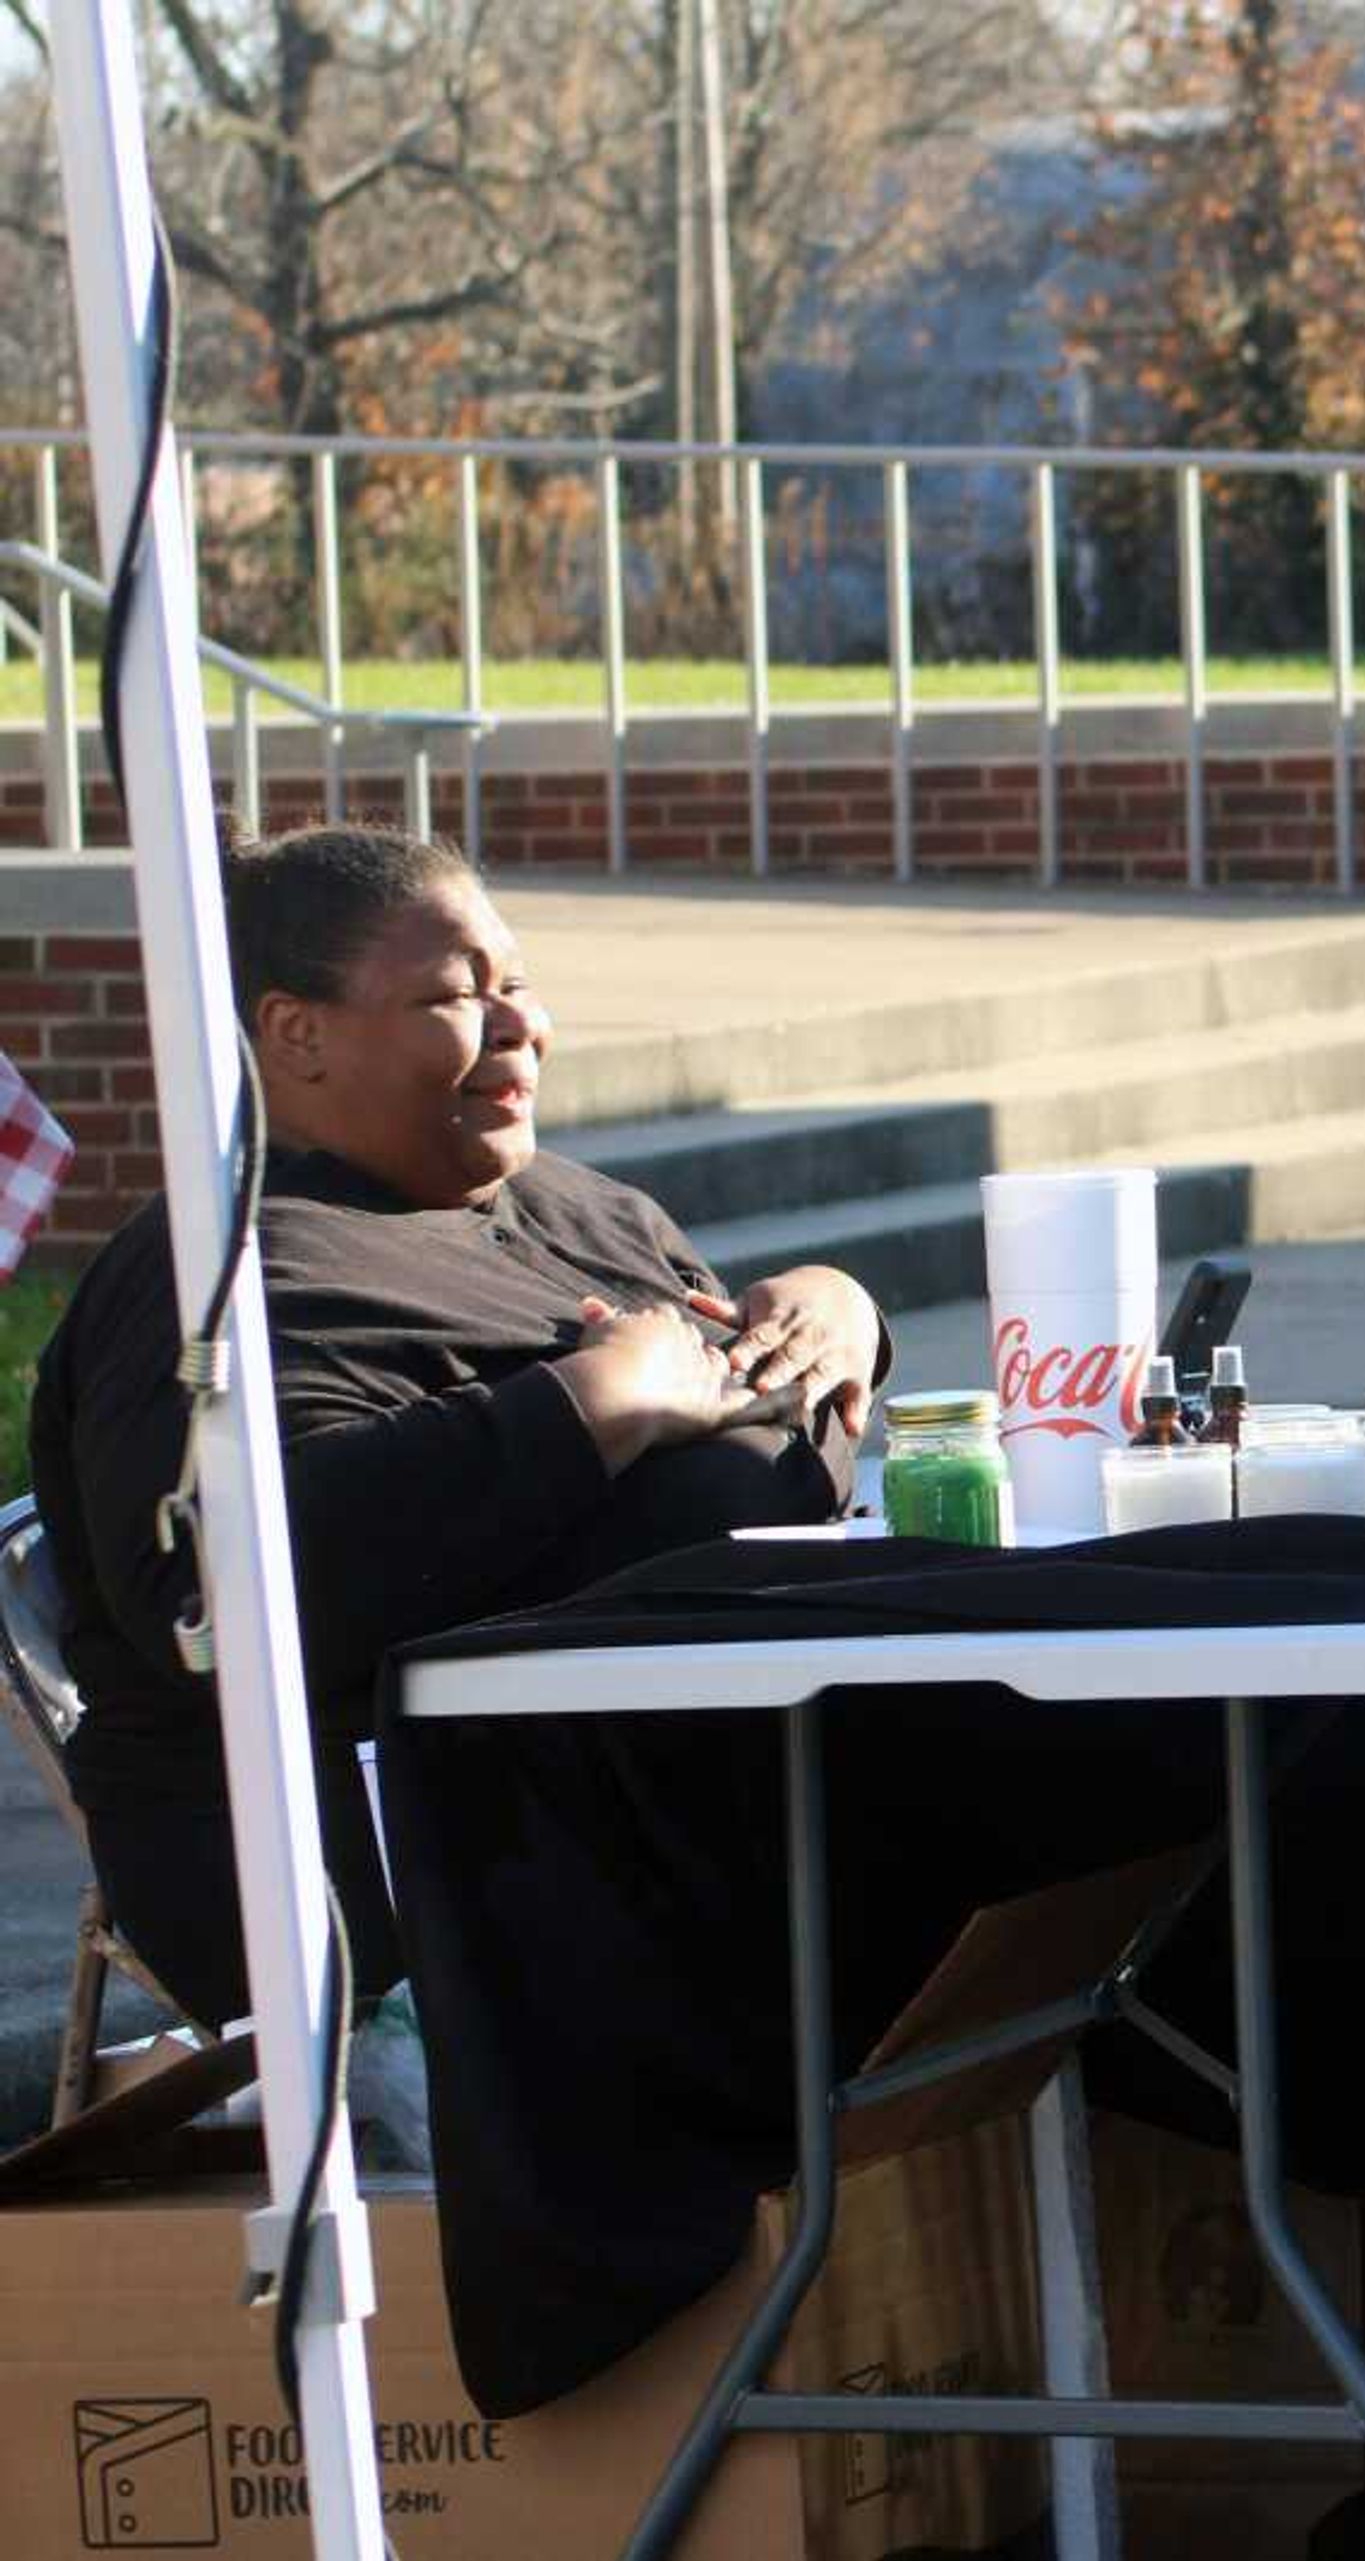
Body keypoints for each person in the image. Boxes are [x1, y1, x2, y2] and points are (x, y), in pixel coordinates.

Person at [27, 824, 886, 2027]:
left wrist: (837, 1319)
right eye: (454, 995)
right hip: (398, 1852)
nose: (518, 1025)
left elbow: (744, 1384)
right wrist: (597, 1403)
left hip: (703, 1767)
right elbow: (223, 1597)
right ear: (295, 1032)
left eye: (518, 984)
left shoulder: (580, 1207)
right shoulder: (219, 1278)